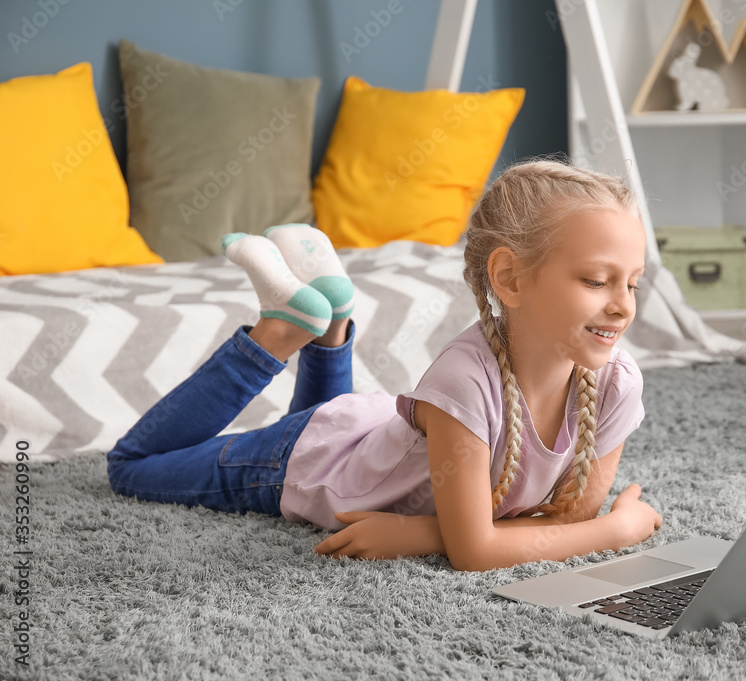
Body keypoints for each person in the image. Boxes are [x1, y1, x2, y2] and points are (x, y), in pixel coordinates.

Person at [107, 159, 662, 571]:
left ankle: (331, 323)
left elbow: (565, 520)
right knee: (131, 466)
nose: (622, 305)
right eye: (595, 280)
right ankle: (278, 333)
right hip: (302, 461)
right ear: (510, 279)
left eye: (632, 283)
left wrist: (418, 532)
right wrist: (615, 531)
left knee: (331, 415)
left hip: (366, 434)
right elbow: (479, 551)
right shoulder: (464, 382)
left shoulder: (616, 382)